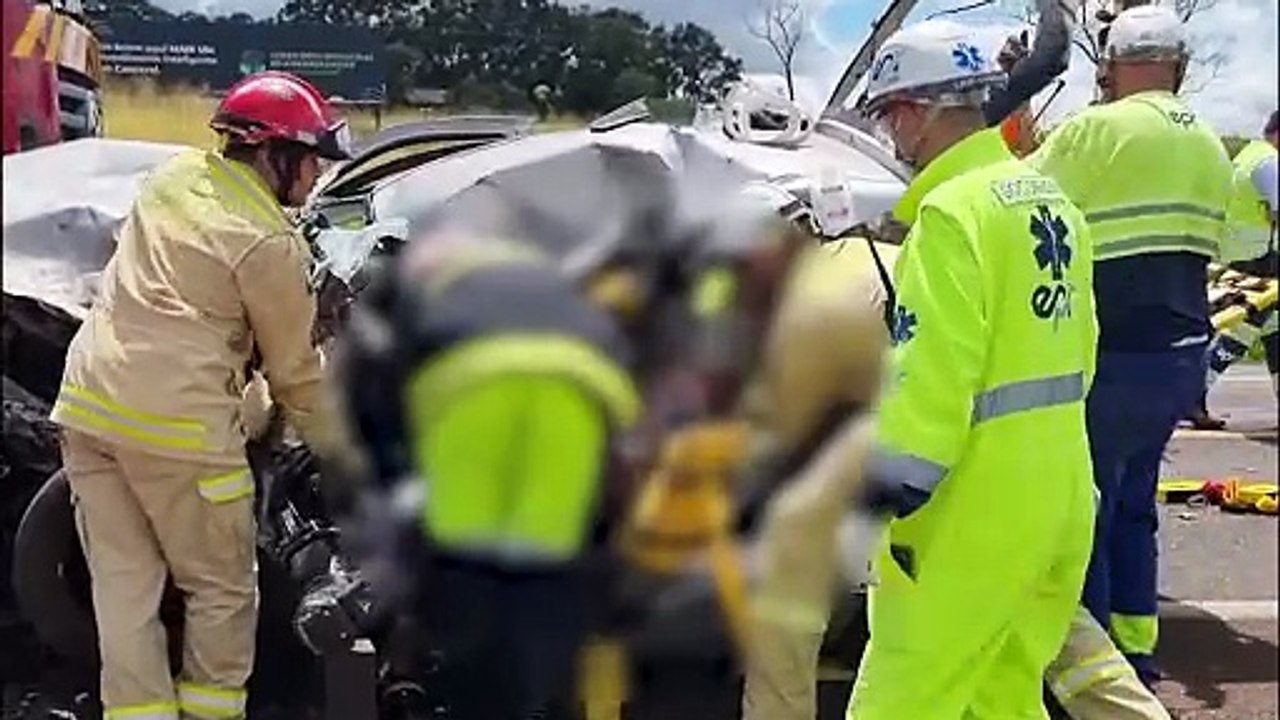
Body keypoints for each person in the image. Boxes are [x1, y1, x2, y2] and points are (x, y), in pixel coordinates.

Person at [48, 70, 351, 720]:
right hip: (179, 434)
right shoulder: (270, 243)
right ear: (277, 154)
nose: (318, 178)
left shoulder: (171, 180)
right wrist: (345, 455)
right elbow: (296, 375)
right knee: (221, 592)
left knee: (125, 591)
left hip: (89, 406)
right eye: (312, 162)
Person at [837, 19, 1098, 719]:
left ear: (917, 113)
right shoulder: (1053, 202)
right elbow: (1082, 351)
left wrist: (868, 507)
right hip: (1059, 502)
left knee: (898, 706)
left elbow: (930, 389)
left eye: (890, 116)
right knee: (1001, 700)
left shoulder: (951, 215)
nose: (893, 136)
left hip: (966, 526)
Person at [335, 228, 641, 720]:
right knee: (545, 590)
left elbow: (372, 400)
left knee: (473, 603)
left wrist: (390, 483)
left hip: (471, 410)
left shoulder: (407, 284)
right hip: (579, 405)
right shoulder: (553, 275)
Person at [1026, 4, 1237, 685]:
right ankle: (1136, 651)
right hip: (1179, 358)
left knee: (1079, 515)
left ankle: (1088, 681)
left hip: (1106, 353)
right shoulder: (1209, 141)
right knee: (1132, 505)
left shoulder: (1095, 128)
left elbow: (1017, 193)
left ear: (1111, 65)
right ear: (1178, 67)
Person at [1188, 109, 1280, 428]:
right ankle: (1193, 394)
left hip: (1241, 254)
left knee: (1272, 329)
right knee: (1244, 329)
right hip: (1259, 259)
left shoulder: (1247, 157)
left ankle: (1193, 396)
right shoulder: (1270, 162)